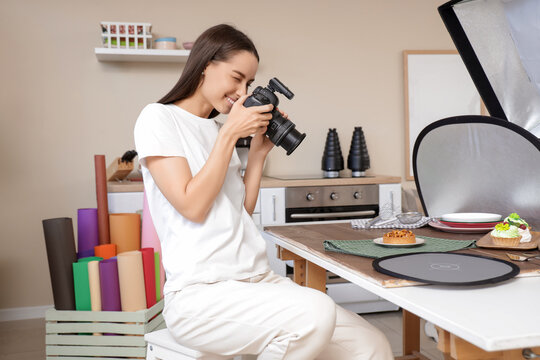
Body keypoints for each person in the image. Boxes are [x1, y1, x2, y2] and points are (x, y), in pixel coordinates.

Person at [134, 24, 393, 360]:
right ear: (205, 65)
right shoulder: (159, 118)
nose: (241, 92)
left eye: (248, 84)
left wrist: (257, 153)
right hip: (201, 296)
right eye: (236, 78)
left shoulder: (218, 129)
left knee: (371, 345)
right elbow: (191, 205)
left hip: (257, 282)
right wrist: (230, 136)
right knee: (315, 312)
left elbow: (236, 213)